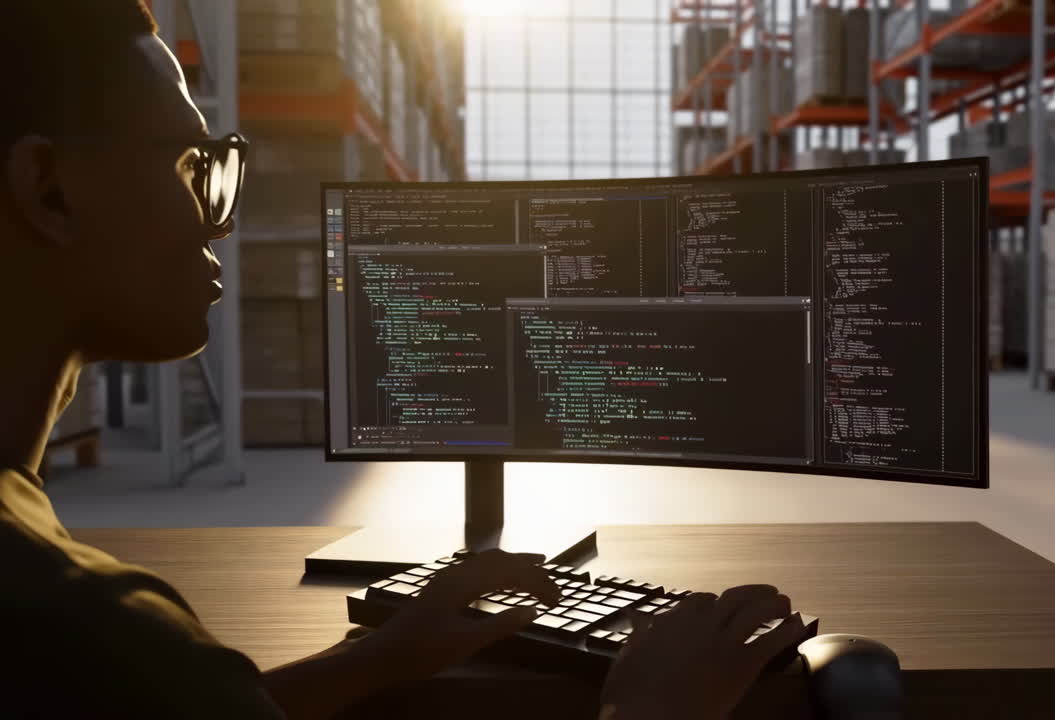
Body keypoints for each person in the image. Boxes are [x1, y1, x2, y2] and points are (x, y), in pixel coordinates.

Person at [0, 2, 809, 718]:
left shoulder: (47, 566)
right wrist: (650, 710)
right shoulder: (88, 624)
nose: (220, 222)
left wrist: (381, 655)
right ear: (50, 189)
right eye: (191, 167)